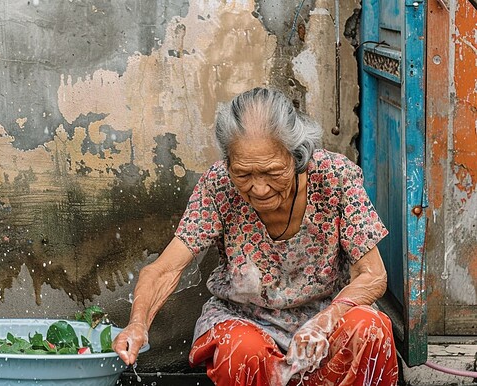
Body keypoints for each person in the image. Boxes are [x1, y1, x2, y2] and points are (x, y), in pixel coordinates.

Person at [113, 87, 398, 386]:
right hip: (246, 318)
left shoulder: (334, 176)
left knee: (369, 327)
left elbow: (373, 275)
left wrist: (324, 322)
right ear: (228, 162)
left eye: (272, 172)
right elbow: (164, 268)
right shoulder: (218, 185)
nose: (259, 189)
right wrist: (137, 324)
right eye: (244, 174)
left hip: (326, 314)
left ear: (297, 155)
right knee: (241, 349)